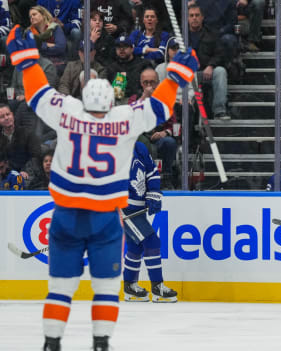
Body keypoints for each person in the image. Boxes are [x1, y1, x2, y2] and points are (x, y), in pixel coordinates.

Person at [5, 24, 197, 350]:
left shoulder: (68, 110)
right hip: (106, 218)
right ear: (111, 101)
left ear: (83, 97)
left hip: (66, 215)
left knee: (60, 287)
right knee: (107, 286)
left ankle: (52, 342)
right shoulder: (124, 118)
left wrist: (26, 61)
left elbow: (37, 94)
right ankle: (101, 341)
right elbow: (159, 108)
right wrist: (177, 76)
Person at [123, 141, 177, 302]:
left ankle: (130, 285)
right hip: (123, 208)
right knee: (151, 241)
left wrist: (153, 191)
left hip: (137, 208)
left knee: (136, 245)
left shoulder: (139, 147)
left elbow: (152, 171)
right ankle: (157, 286)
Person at [187, 3, 229, 120]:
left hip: (205, 73)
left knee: (220, 71)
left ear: (202, 17)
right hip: (186, 75)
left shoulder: (212, 34)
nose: (194, 18)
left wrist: (211, 66)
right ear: (187, 18)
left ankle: (219, 111)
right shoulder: (180, 36)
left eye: (197, 15)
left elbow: (220, 53)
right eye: (191, 15)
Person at [108, 34, 153, 103]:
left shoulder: (143, 64)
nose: (121, 49)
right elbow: (114, 93)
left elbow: (150, 86)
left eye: (125, 46)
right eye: (118, 47)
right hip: (119, 102)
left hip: (140, 100)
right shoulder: (112, 67)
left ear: (132, 48)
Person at [28, 5, 67, 75]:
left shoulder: (55, 28)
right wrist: (48, 45)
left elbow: (61, 48)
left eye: (34, 14)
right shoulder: (29, 33)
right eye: (30, 17)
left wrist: (41, 46)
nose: (32, 17)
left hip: (56, 62)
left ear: (43, 15)